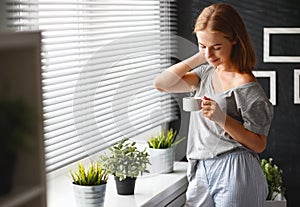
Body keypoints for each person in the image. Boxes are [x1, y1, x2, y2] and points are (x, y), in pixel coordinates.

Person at [154, 3, 274, 207]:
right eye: (202, 45)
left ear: (235, 39)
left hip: (235, 170)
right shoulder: (205, 73)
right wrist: (201, 55)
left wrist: (221, 119)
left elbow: (259, 144)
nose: (209, 54)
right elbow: (162, 84)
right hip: (201, 167)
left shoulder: (246, 87)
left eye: (217, 47)